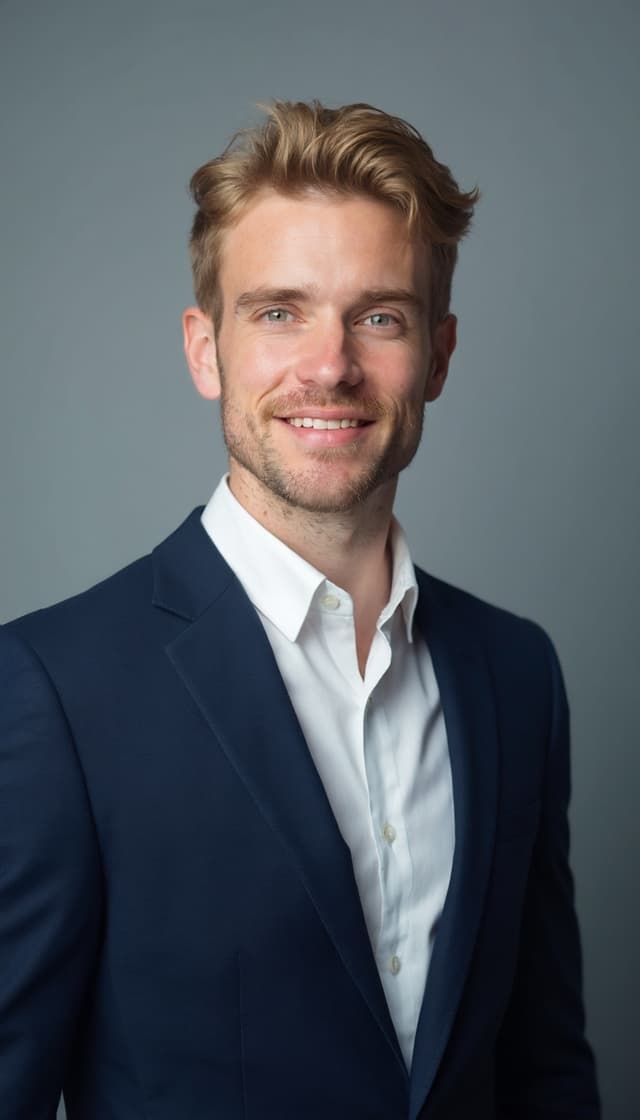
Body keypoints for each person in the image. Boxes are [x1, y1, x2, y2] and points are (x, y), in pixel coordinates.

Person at [0, 101, 600, 1119]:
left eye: (379, 315)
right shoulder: (54, 689)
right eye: (279, 310)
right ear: (205, 349)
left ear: (438, 355)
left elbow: (544, 1071)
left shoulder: (515, 674)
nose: (330, 364)